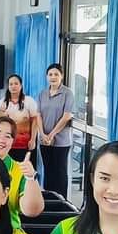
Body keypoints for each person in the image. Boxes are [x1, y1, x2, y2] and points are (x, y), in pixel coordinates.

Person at [0, 115, 45, 227]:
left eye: (8, 136)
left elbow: (32, 211)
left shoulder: (20, 170)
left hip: (7, 232)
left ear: (12, 142)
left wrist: (30, 178)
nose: (1, 140)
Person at [37, 63, 75, 197]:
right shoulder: (42, 93)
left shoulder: (67, 93)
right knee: (48, 171)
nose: (53, 77)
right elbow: (38, 115)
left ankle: (62, 202)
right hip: (44, 140)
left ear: (61, 76)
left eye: (56, 74)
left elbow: (66, 116)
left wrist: (52, 134)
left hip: (61, 141)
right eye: (50, 74)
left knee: (60, 172)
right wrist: (43, 134)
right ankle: (49, 200)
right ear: (47, 76)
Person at [0, 74, 40, 162]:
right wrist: (1, 113)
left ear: (21, 85)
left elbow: (35, 120)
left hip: (25, 144)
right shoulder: (2, 102)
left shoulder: (29, 100)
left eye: (16, 84)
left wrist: (33, 140)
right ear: (8, 87)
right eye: (11, 84)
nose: (13, 86)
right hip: (7, 144)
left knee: (25, 168)